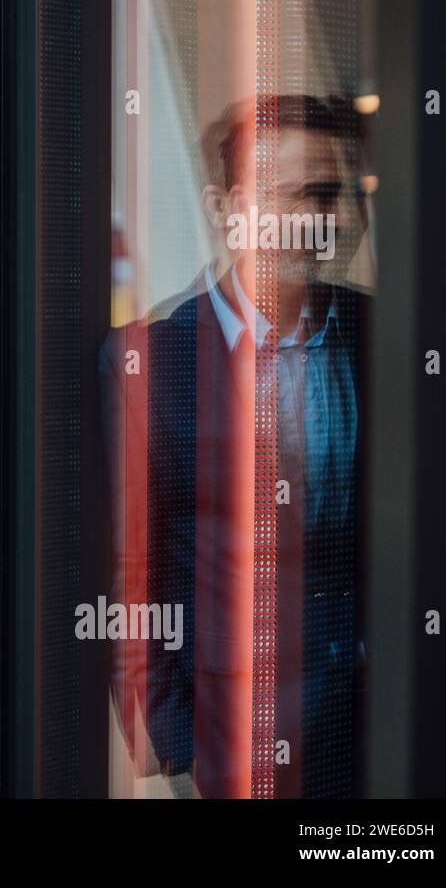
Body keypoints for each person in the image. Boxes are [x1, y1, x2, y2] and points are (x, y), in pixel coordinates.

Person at [100, 94, 370, 797]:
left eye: (339, 194)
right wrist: (173, 738)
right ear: (227, 210)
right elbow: (127, 565)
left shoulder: (380, 336)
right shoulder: (148, 365)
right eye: (305, 195)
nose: (332, 220)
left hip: (377, 722)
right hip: (236, 733)